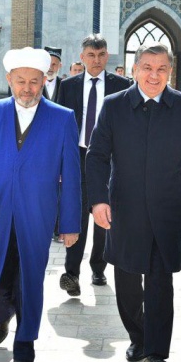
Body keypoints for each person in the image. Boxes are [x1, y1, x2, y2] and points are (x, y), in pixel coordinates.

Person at [86, 43, 181, 362]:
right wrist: (98, 200)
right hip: (123, 208)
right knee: (126, 277)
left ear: (170, 72)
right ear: (135, 69)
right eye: (147, 68)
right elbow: (96, 155)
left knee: (159, 279)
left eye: (161, 69)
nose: (154, 76)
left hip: (168, 209)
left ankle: (156, 353)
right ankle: (138, 337)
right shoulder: (114, 107)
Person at [0, 47, 81, 362]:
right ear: (9, 80)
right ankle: (2, 316)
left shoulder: (62, 118)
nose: (27, 88)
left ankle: (25, 349)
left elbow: (72, 174)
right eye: (20, 81)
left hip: (37, 217)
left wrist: (70, 223)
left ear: (45, 80)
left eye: (34, 82)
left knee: (29, 280)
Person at [54, 35, 130, 295]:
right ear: (82, 56)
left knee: (103, 214)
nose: (96, 60)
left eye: (100, 55)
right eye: (90, 55)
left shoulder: (123, 86)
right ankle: (71, 273)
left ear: (107, 56)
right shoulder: (68, 86)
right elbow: (59, 127)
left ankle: (99, 267)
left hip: (108, 160)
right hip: (77, 157)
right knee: (75, 215)